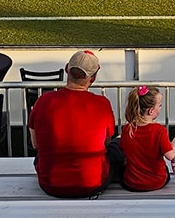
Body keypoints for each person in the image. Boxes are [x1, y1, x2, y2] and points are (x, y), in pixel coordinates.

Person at [28, 50, 119, 198]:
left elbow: (36, 144)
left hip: (51, 185)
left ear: (66, 69)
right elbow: (106, 142)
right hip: (93, 184)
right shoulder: (102, 104)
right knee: (117, 147)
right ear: (93, 77)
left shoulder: (43, 101)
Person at [119, 85, 175, 192]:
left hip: (132, 183)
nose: (161, 108)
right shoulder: (159, 130)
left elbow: (123, 150)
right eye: (160, 105)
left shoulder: (127, 129)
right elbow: (171, 156)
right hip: (156, 182)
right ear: (151, 111)